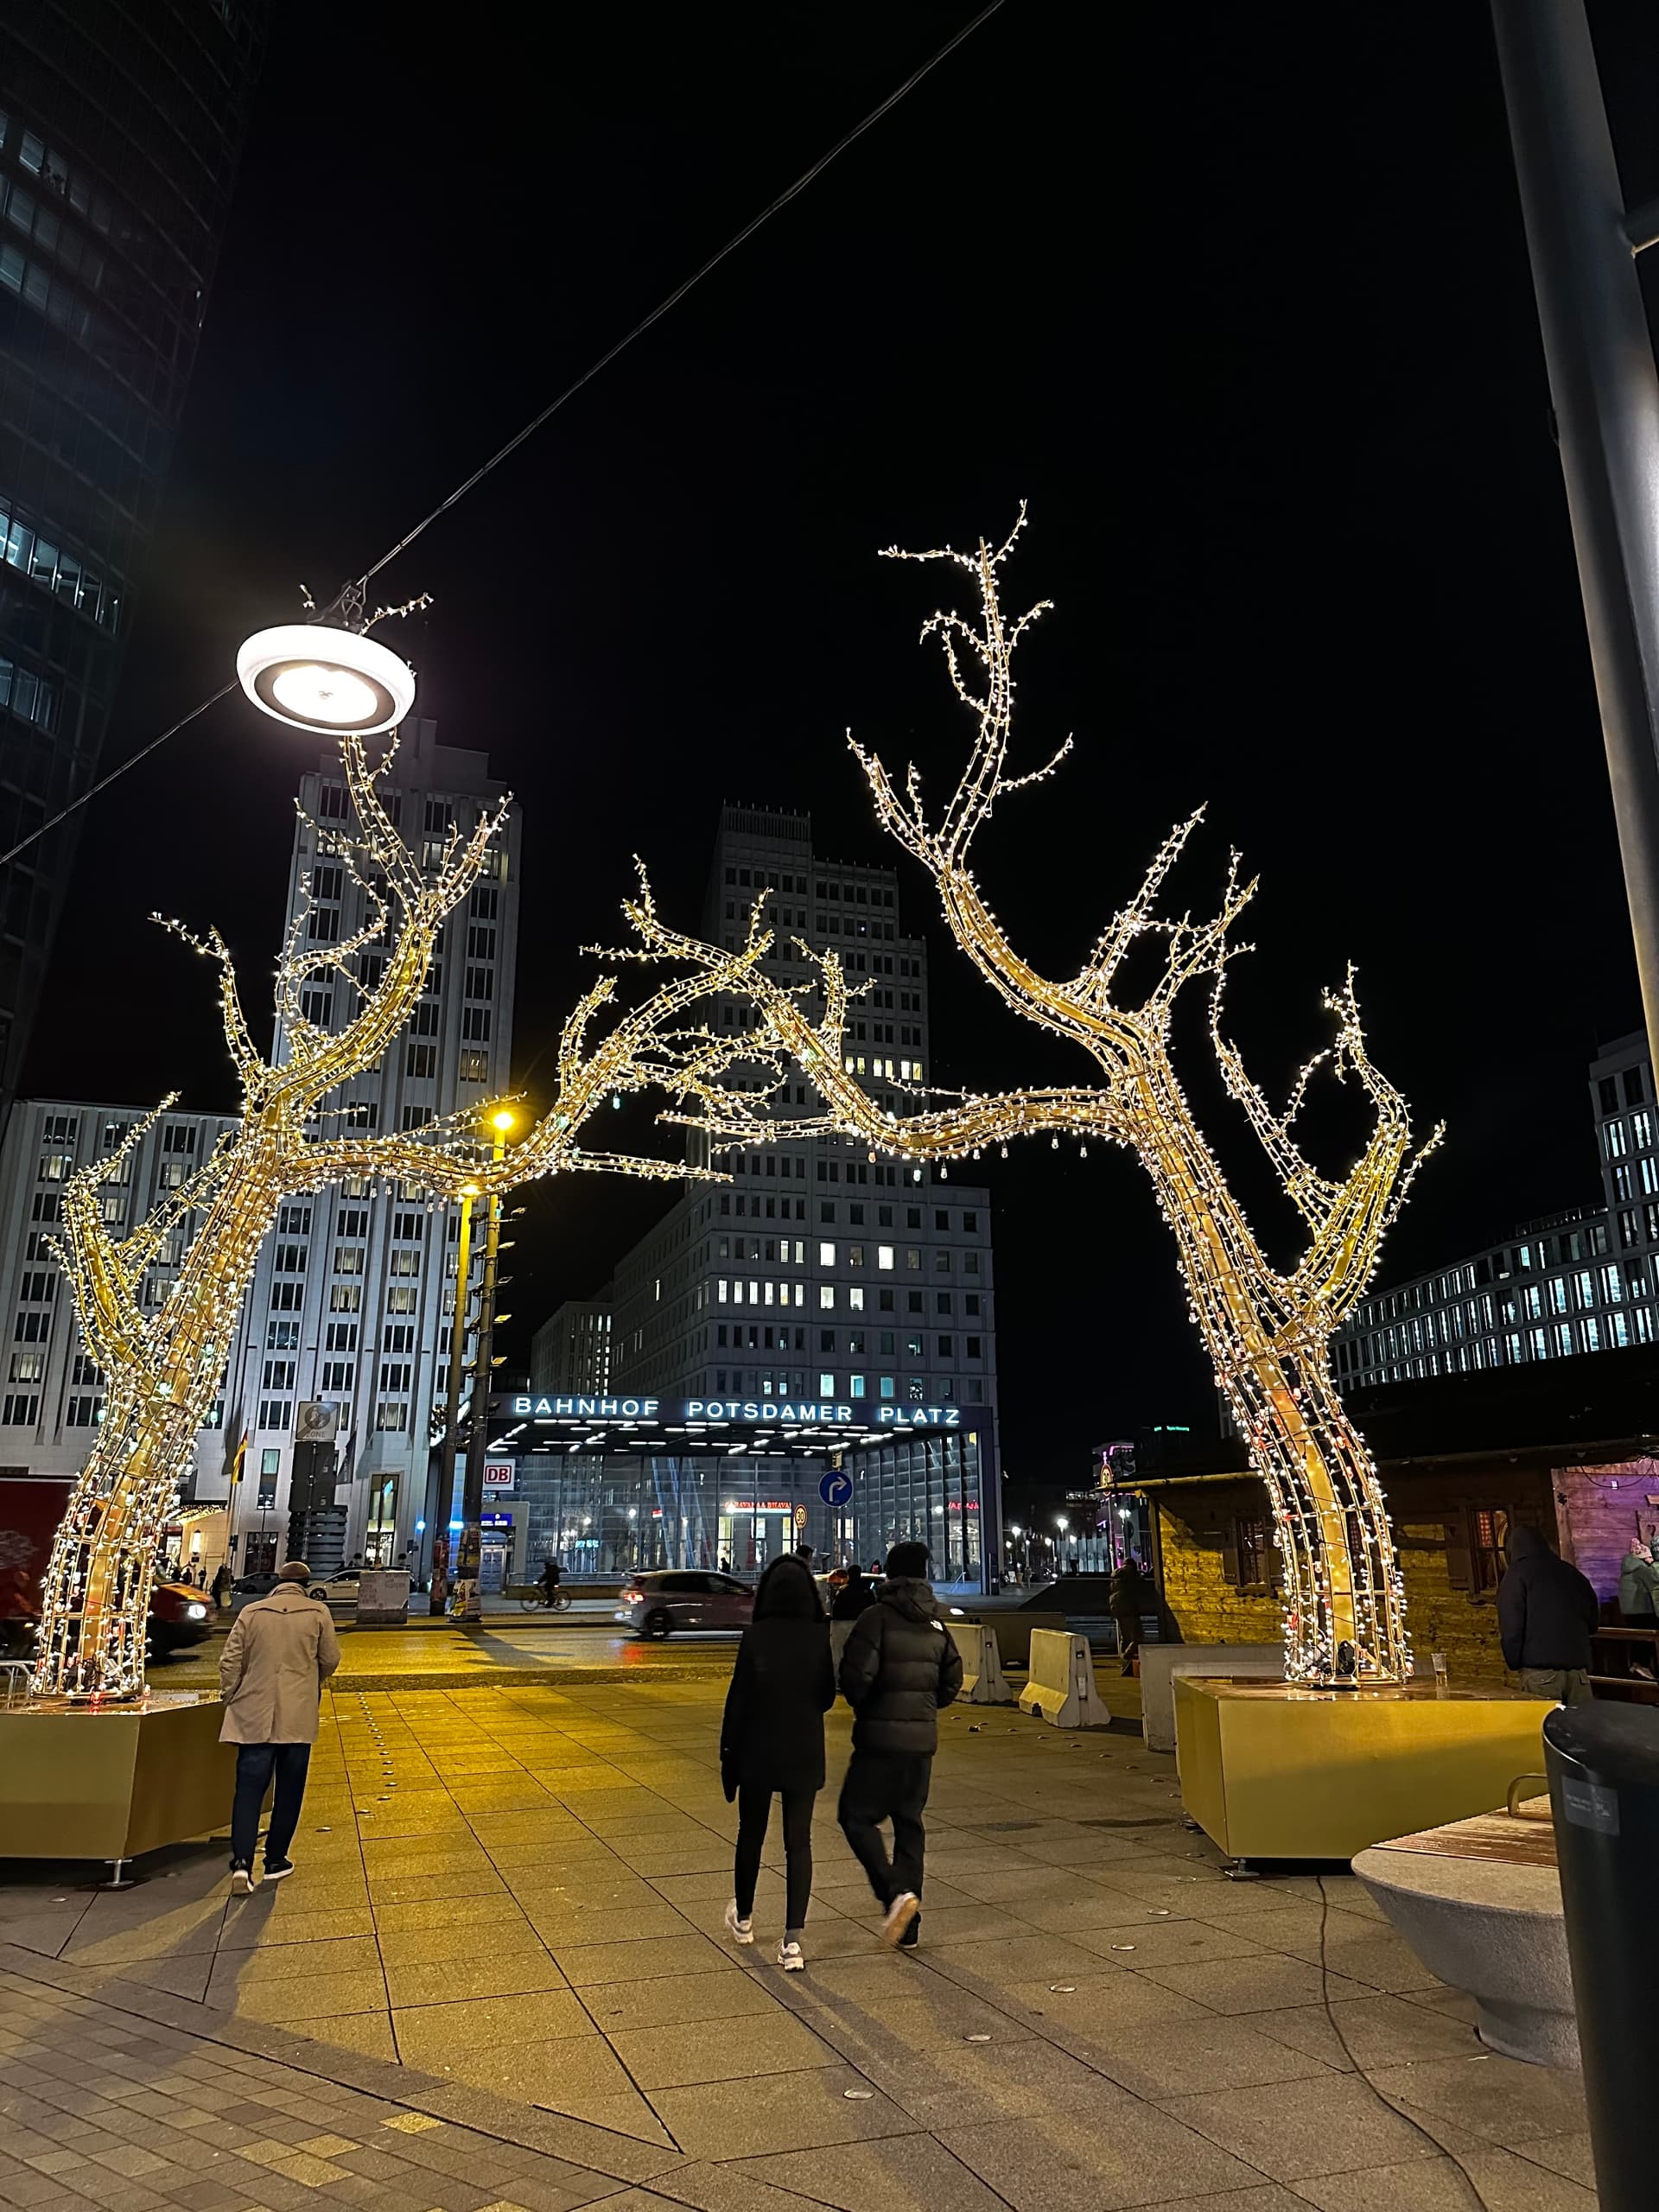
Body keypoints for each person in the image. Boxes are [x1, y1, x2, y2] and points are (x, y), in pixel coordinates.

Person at [837, 1540, 963, 1950]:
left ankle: (893, 1894)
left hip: (879, 1741)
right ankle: (908, 1926)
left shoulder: (876, 1619)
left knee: (856, 1817)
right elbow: (951, 1684)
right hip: (921, 1745)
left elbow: (855, 1682)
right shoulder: (937, 1621)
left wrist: (874, 1703)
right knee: (910, 1824)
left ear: (889, 1573)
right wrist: (924, 1708)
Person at [720, 1554, 835, 1972]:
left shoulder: (755, 1638)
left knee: (750, 1834)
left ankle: (746, 1919)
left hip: (757, 1752)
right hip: (802, 1752)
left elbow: (738, 1703)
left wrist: (728, 1757)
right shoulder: (818, 1636)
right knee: (798, 1843)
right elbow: (826, 1697)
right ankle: (792, 1942)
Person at [218, 1560, 340, 1891]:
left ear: (277, 1582)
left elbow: (230, 1660)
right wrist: (310, 1678)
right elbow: (330, 1660)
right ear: (305, 1582)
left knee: (248, 1790)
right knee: (289, 1789)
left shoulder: (253, 1612)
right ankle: (275, 1860)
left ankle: (241, 1862)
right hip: (296, 1714)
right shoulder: (317, 1613)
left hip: (253, 1713)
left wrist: (229, 1695)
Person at [1497, 1523, 1599, 1705]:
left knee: (1545, 1729)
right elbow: (1592, 1621)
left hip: (1540, 1672)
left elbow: (1511, 1625)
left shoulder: (1517, 1575)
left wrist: (1514, 1661)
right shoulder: (1571, 1573)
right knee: (1581, 1730)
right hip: (1578, 1672)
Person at [830, 1564, 876, 1666]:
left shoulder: (843, 1591)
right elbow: (873, 1610)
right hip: (864, 1629)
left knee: (841, 1659)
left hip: (843, 1630)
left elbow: (836, 1612)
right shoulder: (867, 1592)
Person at [1109, 1554, 1149, 1675]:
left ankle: (1124, 1661)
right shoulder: (1132, 1574)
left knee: (1124, 1637)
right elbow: (1142, 1586)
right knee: (1138, 1636)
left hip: (1117, 1608)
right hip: (1130, 1608)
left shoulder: (1116, 1575)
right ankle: (1126, 1656)